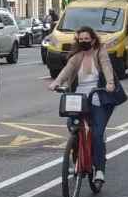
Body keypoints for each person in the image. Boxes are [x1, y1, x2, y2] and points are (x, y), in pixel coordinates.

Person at [48, 26, 117, 182]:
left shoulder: (100, 52)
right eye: (81, 39)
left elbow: (107, 66)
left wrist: (110, 83)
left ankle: (99, 169)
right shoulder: (77, 56)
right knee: (73, 126)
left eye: (87, 39)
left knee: (97, 134)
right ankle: (77, 160)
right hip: (79, 98)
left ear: (93, 40)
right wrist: (56, 82)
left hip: (97, 96)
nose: (84, 41)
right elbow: (67, 70)